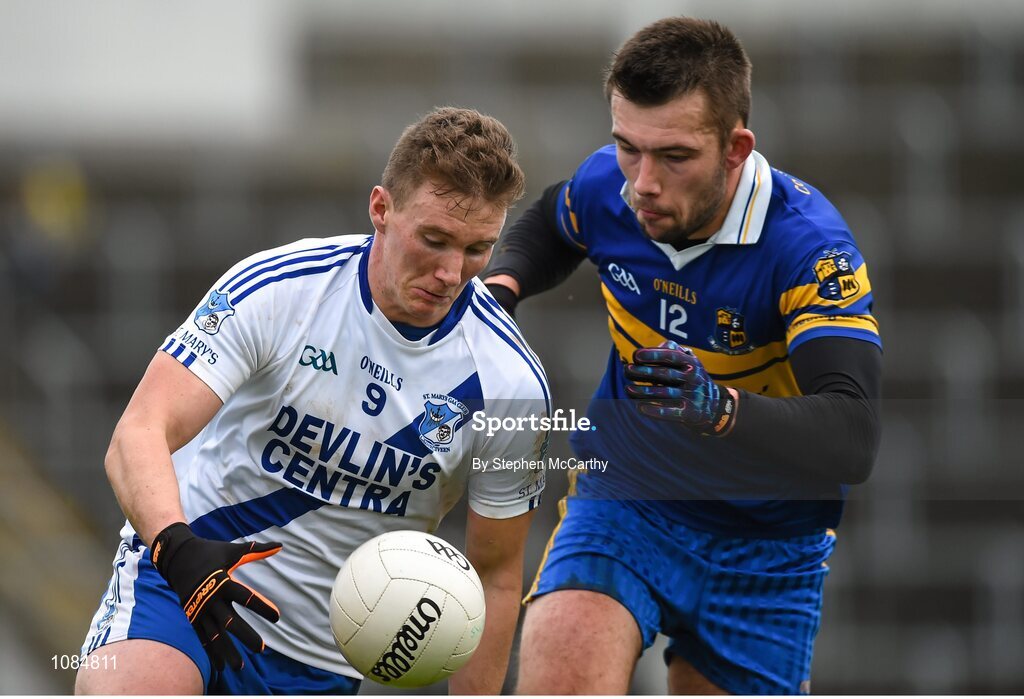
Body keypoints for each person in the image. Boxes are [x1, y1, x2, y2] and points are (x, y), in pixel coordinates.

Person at [76, 107, 549, 695]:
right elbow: (139, 431)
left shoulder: (510, 384)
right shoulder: (282, 290)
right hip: (181, 584)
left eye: (480, 249)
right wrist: (175, 548)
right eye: (435, 240)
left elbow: (496, 575)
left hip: (325, 658)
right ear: (381, 208)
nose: (453, 273)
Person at [484, 17, 882, 695]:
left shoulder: (809, 249)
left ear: (736, 148)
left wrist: (721, 409)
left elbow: (854, 436)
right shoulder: (613, 186)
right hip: (626, 500)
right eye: (626, 147)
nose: (641, 181)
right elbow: (555, 219)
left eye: (672, 156)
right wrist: (502, 287)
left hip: (769, 549)